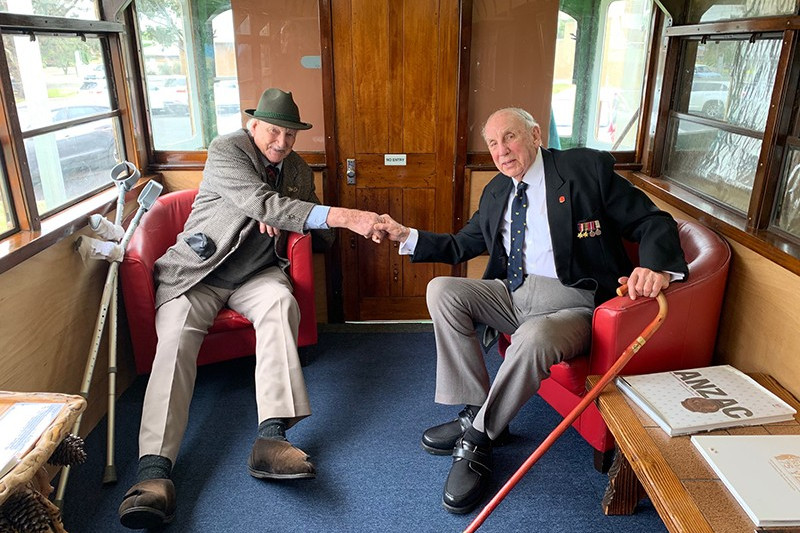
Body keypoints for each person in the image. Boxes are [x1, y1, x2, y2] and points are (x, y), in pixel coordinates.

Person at [374, 107, 688, 514]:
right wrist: (408, 236)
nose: (502, 151)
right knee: (442, 290)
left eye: (510, 137)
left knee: (533, 336)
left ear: (536, 135)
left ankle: (479, 438)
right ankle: (476, 407)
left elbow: (652, 220)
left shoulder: (583, 170)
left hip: (573, 305)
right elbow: (460, 245)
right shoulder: (497, 191)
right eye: (492, 143)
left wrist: (654, 266)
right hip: (514, 294)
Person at [118, 88, 383, 529]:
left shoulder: (296, 169)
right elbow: (264, 203)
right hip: (200, 272)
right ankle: (153, 471)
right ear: (253, 126)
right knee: (177, 336)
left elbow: (306, 221)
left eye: (290, 134)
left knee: (281, 301)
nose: (281, 141)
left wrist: (296, 219)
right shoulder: (227, 150)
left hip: (258, 273)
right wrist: (343, 215)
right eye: (273, 131)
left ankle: (271, 437)